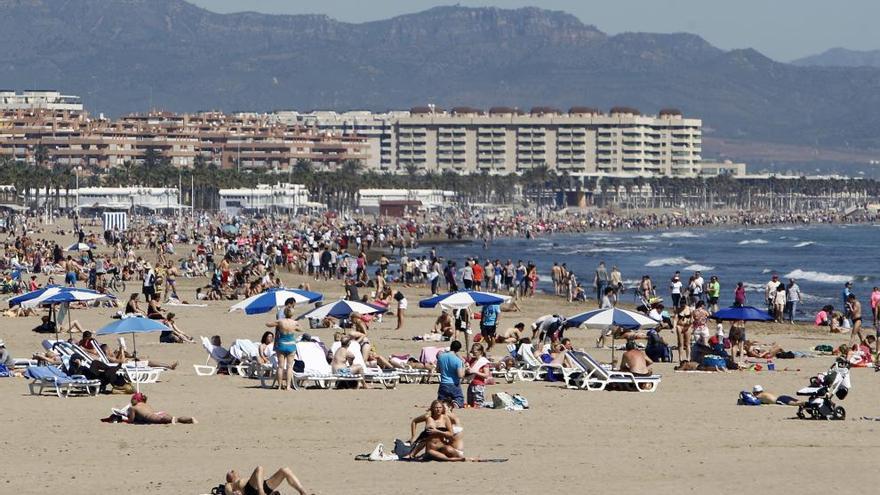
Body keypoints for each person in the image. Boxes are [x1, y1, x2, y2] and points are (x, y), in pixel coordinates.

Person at [224, 466, 310, 495]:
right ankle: (261, 492)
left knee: (285, 470)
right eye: (231, 472)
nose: (232, 471)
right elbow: (228, 491)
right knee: (259, 468)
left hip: (264, 486)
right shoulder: (231, 484)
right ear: (229, 478)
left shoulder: (245, 479)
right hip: (250, 491)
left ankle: (303, 492)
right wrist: (233, 493)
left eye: (232, 470)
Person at [270, 307, 298, 390]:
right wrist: (294, 328)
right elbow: (301, 329)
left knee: (280, 366)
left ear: (285, 313)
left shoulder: (280, 321)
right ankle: (288, 386)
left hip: (281, 344)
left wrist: (277, 325)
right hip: (291, 345)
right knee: (289, 367)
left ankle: (279, 386)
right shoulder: (295, 322)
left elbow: (268, 324)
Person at [127, 392, 196, 424]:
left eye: (132, 399)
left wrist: (125, 420)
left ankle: (172, 419)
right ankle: (190, 419)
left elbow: (131, 420)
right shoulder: (145, 404)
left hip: (152, 416)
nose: (131, 401)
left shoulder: (133, 408)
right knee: (176, 419)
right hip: (158, 413)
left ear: (135, 399)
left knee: (169, 419)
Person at [436, 340, 465, 408]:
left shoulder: (441, 357)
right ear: (458, 350)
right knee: (459, 399)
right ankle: (455, 404)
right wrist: (464, 368)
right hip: (454, 383)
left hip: (443, 383)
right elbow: (460, 375)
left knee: (442, 400)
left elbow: (438, 369)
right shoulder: (458, 360)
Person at [466, 343, 490, 408]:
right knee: (470, 404)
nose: (473, 352)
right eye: (472, 350)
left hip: (479, 385)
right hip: (471, 384)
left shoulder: (484, 362)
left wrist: (476, 372)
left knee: (478, 404)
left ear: (480, 351)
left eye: (475, 350)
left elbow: (486, 375)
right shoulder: (472, 360)